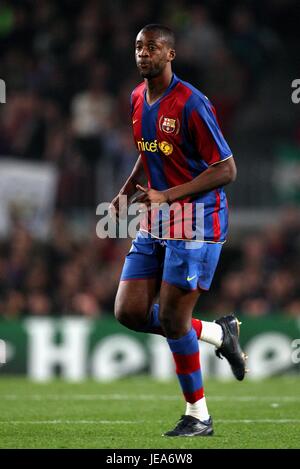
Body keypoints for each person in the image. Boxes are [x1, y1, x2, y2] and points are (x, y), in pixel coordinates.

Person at [110, 23, 247, 437]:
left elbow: (227, 169)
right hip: (159, 218)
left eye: (151, 47)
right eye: (138, 47)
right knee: (128, 311)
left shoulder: (191, 103)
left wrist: (168, 196)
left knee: (172, 318)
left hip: (197, 220)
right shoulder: (137, 97)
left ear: (170, 54)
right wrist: (125, 191)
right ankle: (218, 334)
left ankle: (198, 415)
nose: (142, 53)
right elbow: (148, 150)